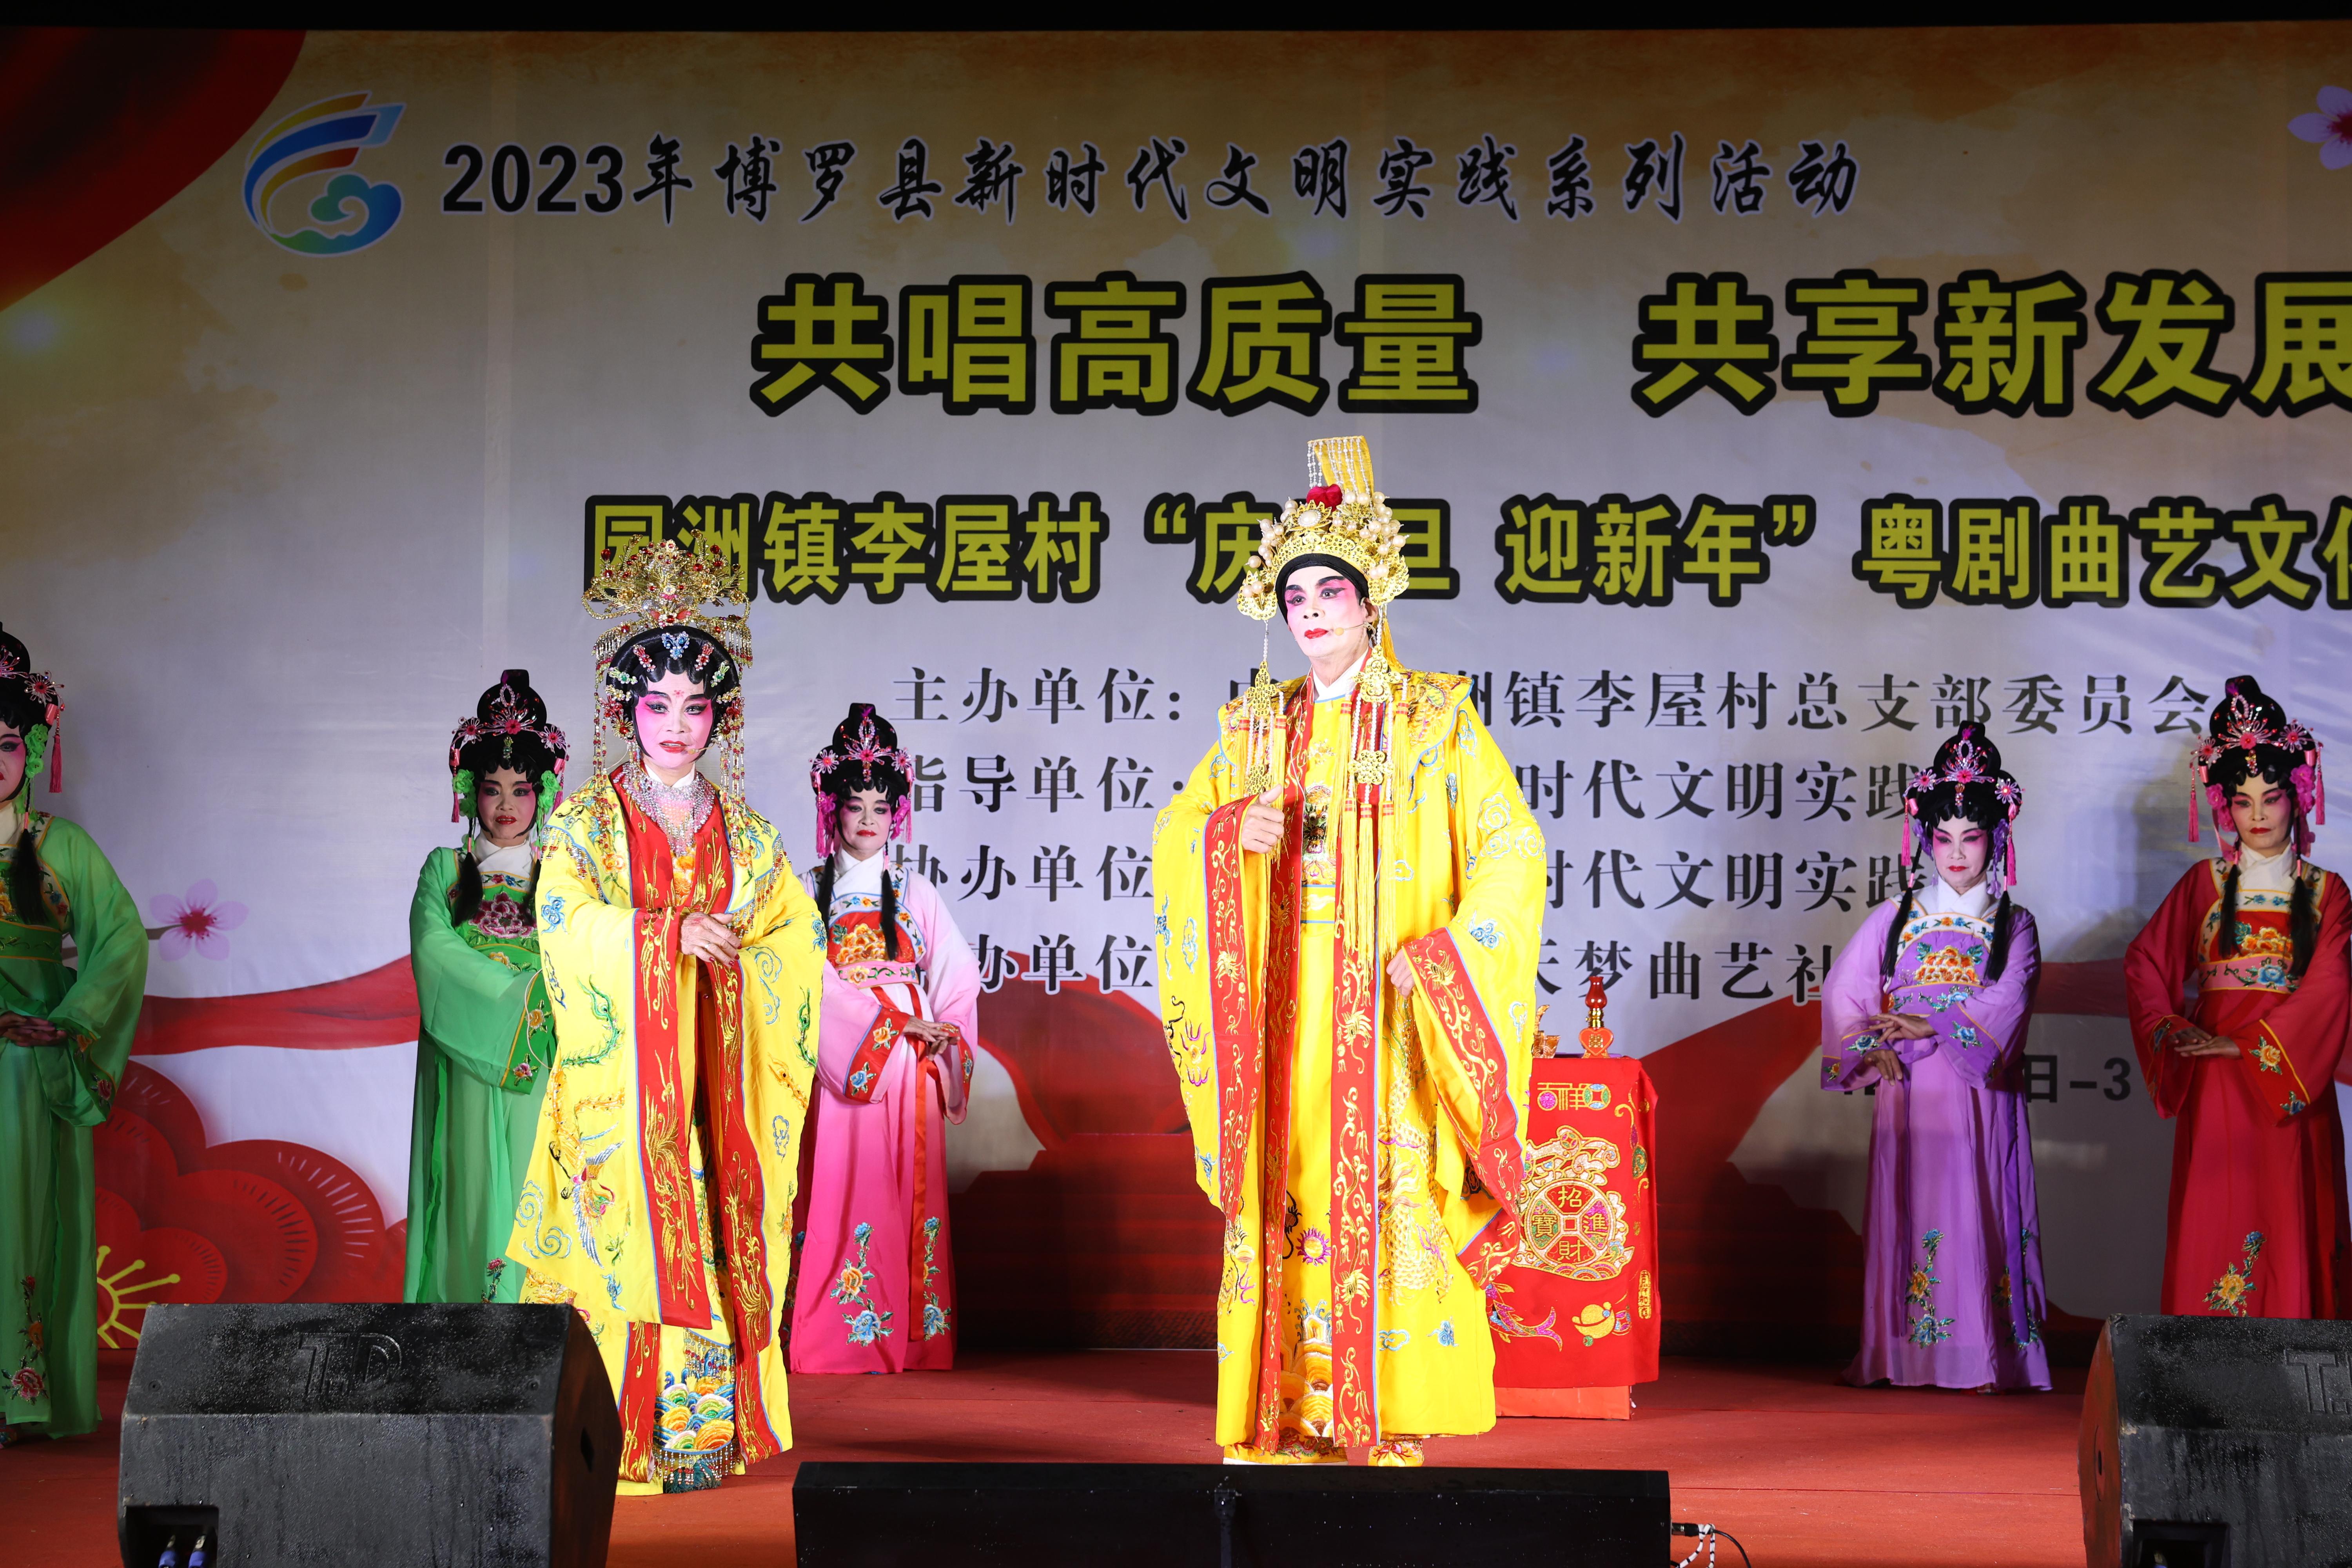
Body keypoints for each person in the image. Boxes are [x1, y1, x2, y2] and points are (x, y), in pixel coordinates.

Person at [1152, 437, 1541, 1468]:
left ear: (1372, 604)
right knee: (1289, 1183)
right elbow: (1178, 830)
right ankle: (1286, 1408)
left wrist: (1450, 953)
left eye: (1333, 591)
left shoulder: (1434, 719)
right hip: (1285, 1005)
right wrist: (1226, 834)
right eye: (1296, 595)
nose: (1313, 611)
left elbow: (1511, 846)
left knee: (1383, 1188)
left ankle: (1387, 1413)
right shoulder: (1255, 728)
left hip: (1393, 1004)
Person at [507, 541, 822, 1494]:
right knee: (616, 1238)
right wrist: (665, 937)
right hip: (623, 1086)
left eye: (695, 706)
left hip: (714, 1086)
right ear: (625, 713)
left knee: (713, 1232)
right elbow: (563, 922)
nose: (677, 726)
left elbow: (794, 942)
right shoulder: (585, 825)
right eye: (657, 705)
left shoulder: (752, 836)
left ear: (720, 714)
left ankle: (695, 1432)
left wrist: (738, 963)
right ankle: (604, 1433)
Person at [1820, 724, 2048, 1390]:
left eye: (1971, 838)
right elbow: (1844, 990)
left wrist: (1933, 1021)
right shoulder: (1897, 916)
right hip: (1911, 1087)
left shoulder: (2014, 923)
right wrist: (1871, 1045)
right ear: (1924, 838)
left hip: (1978, 1088)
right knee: (1912, 1210)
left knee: (1979, 1208)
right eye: (1943, 838)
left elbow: (2011, 998)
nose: (1955, 853)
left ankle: (1986, 1354)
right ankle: (1902, 1355)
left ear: (1996, 839)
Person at [2126, 675, 2350, 1319]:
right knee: (2215, 1209)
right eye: (2243, 800)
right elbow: (2144, 963)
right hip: (2215, 1080)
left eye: (2272, 798)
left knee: (2289, 1212)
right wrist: (2172, 1029)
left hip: (2288, 1076)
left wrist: (2246, 1045)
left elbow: (2331, 986)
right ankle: (2204, 1364)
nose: (2258, 815)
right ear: (2224, 807)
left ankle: (2291, 1357)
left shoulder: (2327, 892)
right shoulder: (2203, 883)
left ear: (2297, 795)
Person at [788, 704, 980, 1373]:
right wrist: (888, 1025)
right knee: (843, 1185)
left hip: (913, 1060)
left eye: (880, 806)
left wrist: (946, 1037)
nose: (868, 820)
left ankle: (914, 1335)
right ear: (832, 810)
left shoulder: (917, 891)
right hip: (844, 1060)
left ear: (896, 813)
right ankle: (842, 1335)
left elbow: (958, 975)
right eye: (854, 805)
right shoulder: (804, 892)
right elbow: (799, 976)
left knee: (906, 1187)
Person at [0, 623, 146, 1445]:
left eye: (7, 744)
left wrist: (67, 1022)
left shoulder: (63, 848)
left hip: (30, 1053)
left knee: (24, 1212)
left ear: (33, 748)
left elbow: (120, 939)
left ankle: (19, 1394)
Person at [405, 670, 568, 1305]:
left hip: (542, 1056)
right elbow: (435, 951)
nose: (506, 806)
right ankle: (465, 1336)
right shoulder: (445, 870)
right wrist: (519, 997)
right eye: (493, 789)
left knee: (536, 1187)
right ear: (469, 791)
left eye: (521, 790)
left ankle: (537, 1335)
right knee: (468, 1187)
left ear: (543, 793)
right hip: (465, 1051)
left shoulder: (564, 876)